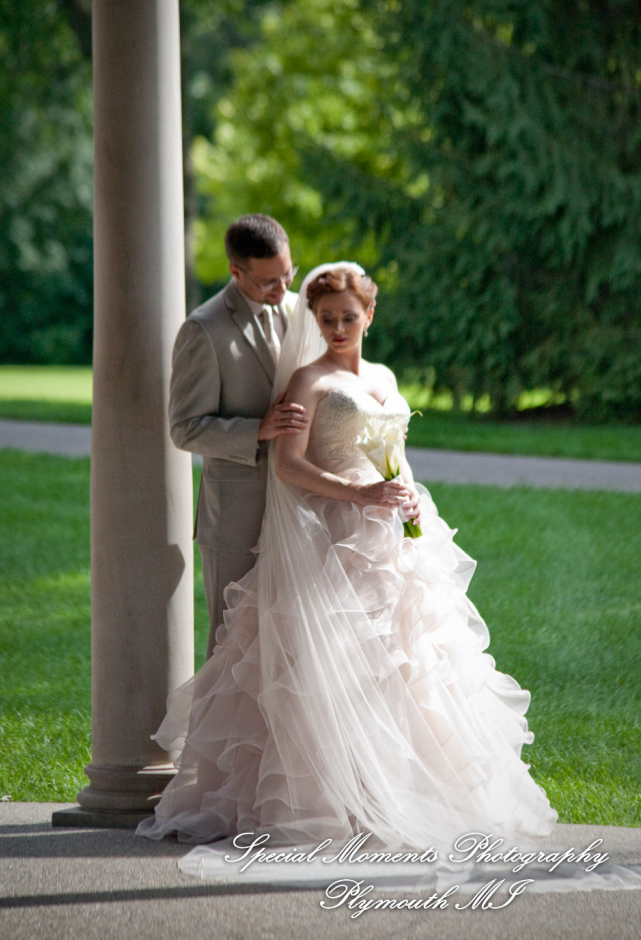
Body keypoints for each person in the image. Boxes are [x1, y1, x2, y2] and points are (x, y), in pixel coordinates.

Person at [138, 261, 557, 851]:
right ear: (315, 319)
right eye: (327, 318)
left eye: (349, 318)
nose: (338, 328)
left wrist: (407, 493)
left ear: (370, 315)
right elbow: (287, 466)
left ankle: (402, 789)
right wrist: (360, 493)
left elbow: (393, 449)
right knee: (331, 665)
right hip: (333, 536)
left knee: (406, 664)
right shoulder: (308, 382)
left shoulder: (383, 375)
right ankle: (330, 800)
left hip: (391, 533)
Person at [169, 214, 308, 657]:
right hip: (234, 517)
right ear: (236, 272)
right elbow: (184, 427)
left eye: (288, 273)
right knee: (232, 644)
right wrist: (258, 430)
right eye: (269, 281)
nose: (282, 289)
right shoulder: (203, 329)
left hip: (297, 508)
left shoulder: (296, 313)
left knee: (290, 642)